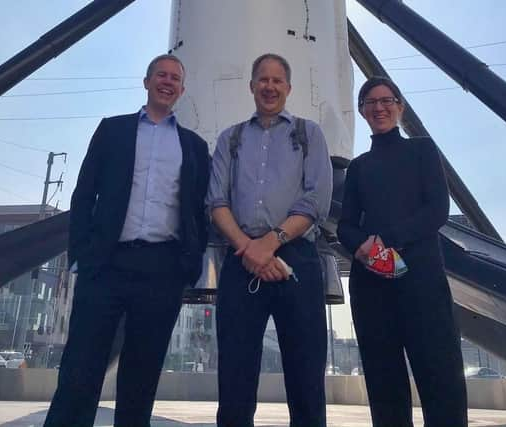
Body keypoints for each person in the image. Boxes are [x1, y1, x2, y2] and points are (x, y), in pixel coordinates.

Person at [44, 54, 210, 427]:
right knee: (80, 370)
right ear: (147, 81)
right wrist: (82, 256)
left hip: (162, 270)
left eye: (175, 78)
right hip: (106, 265)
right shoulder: (112, 130)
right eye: (161, 75)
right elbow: (84, 194)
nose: (167, 82)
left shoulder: (195, 147)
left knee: (142, 374)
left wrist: (189, 262)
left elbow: (198, 210)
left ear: (182, 89)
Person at [207, 53, 333, 427]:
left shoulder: (309, 134)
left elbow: (316, 200)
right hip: (241, 258)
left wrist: (270, 243)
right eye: (263, 80)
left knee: (306, 373)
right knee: (234, 374)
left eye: (278, 81)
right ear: (251, 86)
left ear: (288, 88)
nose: (270, 87)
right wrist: (251, 249)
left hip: (296, 259)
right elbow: (216, 201)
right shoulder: (230, 139)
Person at [337, 76, 467, 427]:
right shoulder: (359, 167)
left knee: (441, 375)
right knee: (384, 382)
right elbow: (345, 224)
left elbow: (436, 210)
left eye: (386, 100)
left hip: (422, 280)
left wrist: (386, 239)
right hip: (372, 286)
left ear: (400, 106)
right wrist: (363, 247)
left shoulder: (422, 150)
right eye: (370, 102)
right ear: (362, 111)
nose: (379, 108)